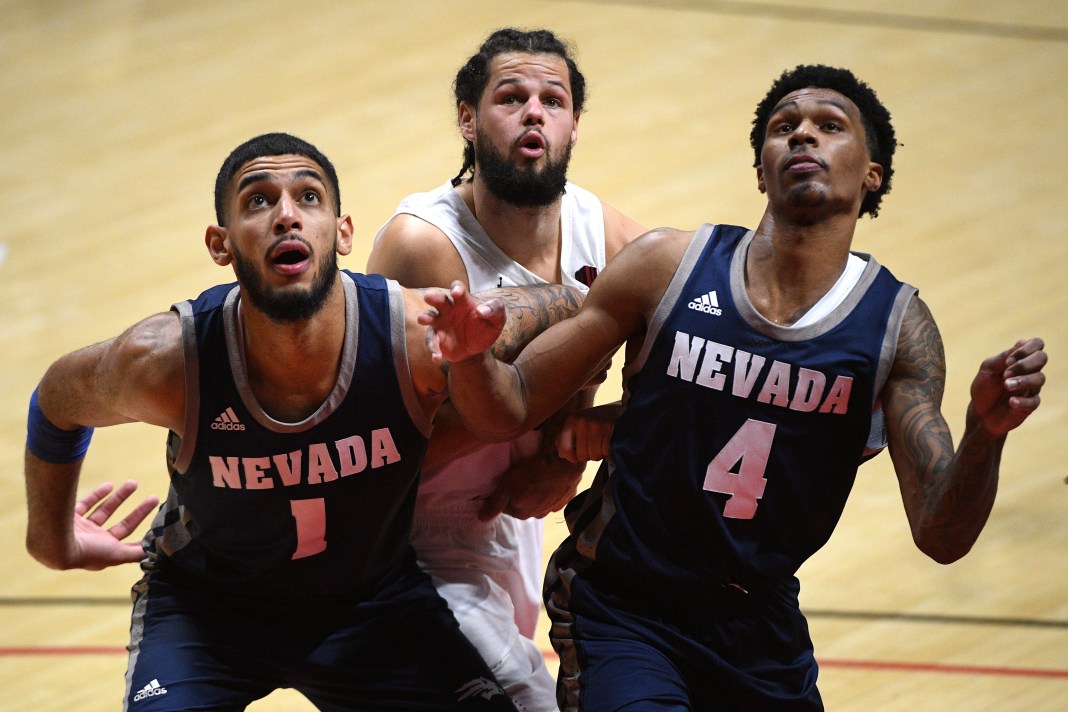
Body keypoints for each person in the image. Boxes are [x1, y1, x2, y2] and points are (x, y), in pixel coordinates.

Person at [420, 65, 1049, 710]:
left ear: (872, 173)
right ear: (760, 170)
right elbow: (511, 406)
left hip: (760, 622)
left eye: (829, 126)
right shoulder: (668, 266)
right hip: (626, 605)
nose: (803, 135)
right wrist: (472, 357)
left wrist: (985, 433)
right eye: (784, 128)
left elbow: (942, 537)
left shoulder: (896, 330)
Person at [23, 132, 586, 711]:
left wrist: (557, 452)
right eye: (259, 201)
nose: (287, 216)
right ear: (221, 244)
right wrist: (53, 542)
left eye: (309, 198)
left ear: (343, 233)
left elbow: (568, 306)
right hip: (207, 618)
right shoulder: (169, 361)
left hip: (372, 605)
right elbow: (57, 398)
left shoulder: (417, 336)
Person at [367, 28, 645, 710]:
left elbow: (661, 397)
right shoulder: (422, 245)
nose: (534, 112)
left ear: (575, 123)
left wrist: (569, 455)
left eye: (554, 99)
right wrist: (532, 409)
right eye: (511, 97)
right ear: (467, 118)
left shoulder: (610, 236)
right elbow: (388, 450)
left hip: (511, 520)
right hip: (406, 531)